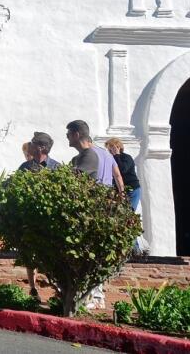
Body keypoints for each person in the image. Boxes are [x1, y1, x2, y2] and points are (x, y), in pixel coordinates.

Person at [66, 120, 123, 309]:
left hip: (93, 207)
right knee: (96, 252)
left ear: (76, 134)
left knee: (90, 253)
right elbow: (117, 175)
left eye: (69, 134)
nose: (67, 137)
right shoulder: (106, 153)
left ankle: (94, 297)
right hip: (106, 204)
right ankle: (97, 296)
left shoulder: (89, 154)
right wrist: (120, 197)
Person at [16, 131, 59, 297]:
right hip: (29, 218)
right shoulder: (25, 167)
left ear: (41, 147)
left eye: (33, 143)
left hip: (49, 221)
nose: (30, 145)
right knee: (29, 255)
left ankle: (57, 290)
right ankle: (33, 289)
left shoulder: (56, 168)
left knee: (52, 256)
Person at [105, 138, 141, 212]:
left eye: (111, 149)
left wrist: (117, 155)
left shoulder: (127, 157)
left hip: (132, 190)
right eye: (109, 150)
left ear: (118, 147)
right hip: (119, 190)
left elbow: (122, 170)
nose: (110, 151)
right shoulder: (111, 159)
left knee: (129, 213)